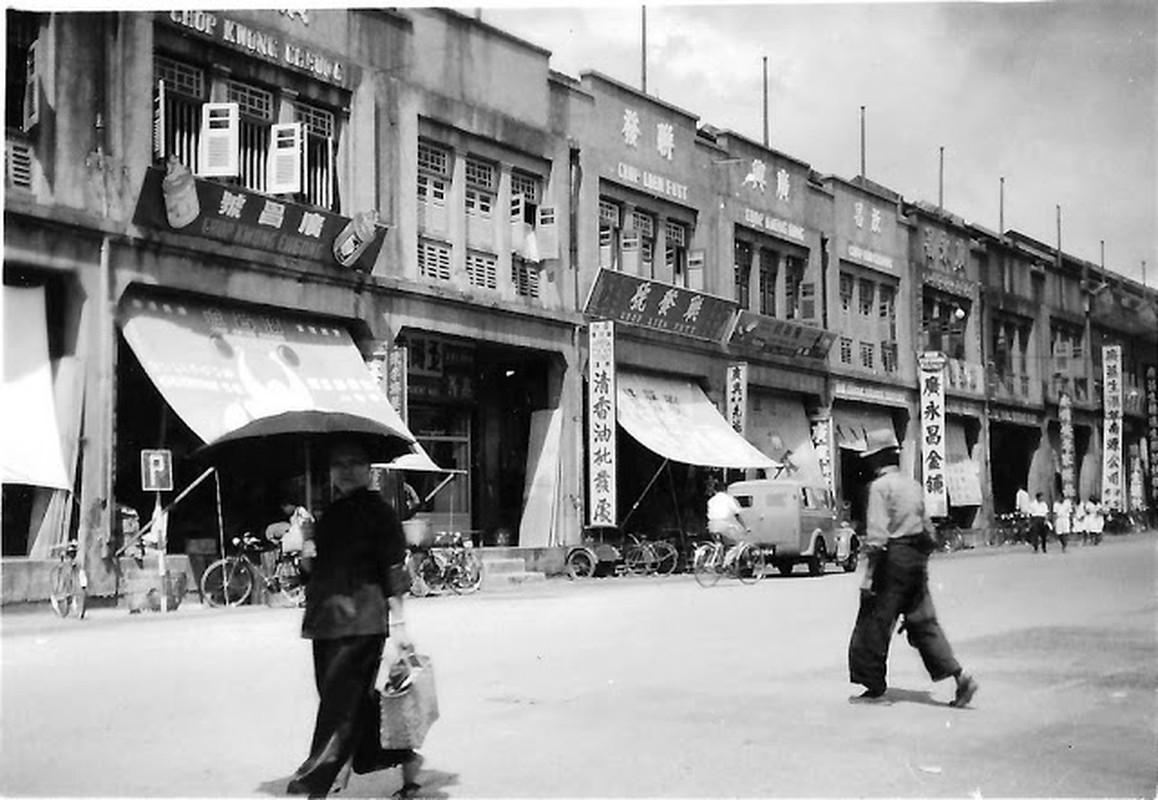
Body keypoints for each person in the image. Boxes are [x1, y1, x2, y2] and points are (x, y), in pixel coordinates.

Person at [287, 439, 423, 798]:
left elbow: (393, 571)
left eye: (353, 463)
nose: (345, 470)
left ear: (368, 470)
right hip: (324, 620)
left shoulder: (380, 514)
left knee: (339, 704)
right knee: (351, 703)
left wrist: (399, 625)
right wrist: (307, 544)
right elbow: (313, 573)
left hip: (361, 621)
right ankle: (403, 758)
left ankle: (315, 781)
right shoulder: (328, 515)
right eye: (338, 464)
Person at [847, 431, 978, 708]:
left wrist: (869, 576)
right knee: (924, 623)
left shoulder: (880, 487)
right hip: (915, 560)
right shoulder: (913, 485)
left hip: (891, 560)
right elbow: (929, 531)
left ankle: (874, 689)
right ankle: (960, 676)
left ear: (877, 460)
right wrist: (918, 562)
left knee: (874, 622)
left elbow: (878, 537)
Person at [706, 474, 747, 544]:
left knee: (718, 542)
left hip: (712, 526)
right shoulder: (729, 499)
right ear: (726, 490)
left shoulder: (711, 500)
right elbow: (737, 514)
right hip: (725, 526)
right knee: (737, 540)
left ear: (715, 491)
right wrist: (744, 526)